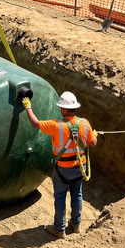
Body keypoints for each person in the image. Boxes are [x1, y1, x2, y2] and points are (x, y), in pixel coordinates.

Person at [22, 91, 98, 239]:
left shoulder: (56, 125)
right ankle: (76, 225)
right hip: (80, 168)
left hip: (63, 169)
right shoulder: (85, 123)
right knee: (77, 194)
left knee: (60, 197)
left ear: (63, 109)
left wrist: (28, 107)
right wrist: (93, 135)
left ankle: (59, 229)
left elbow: (35, 123)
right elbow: (93, 143)